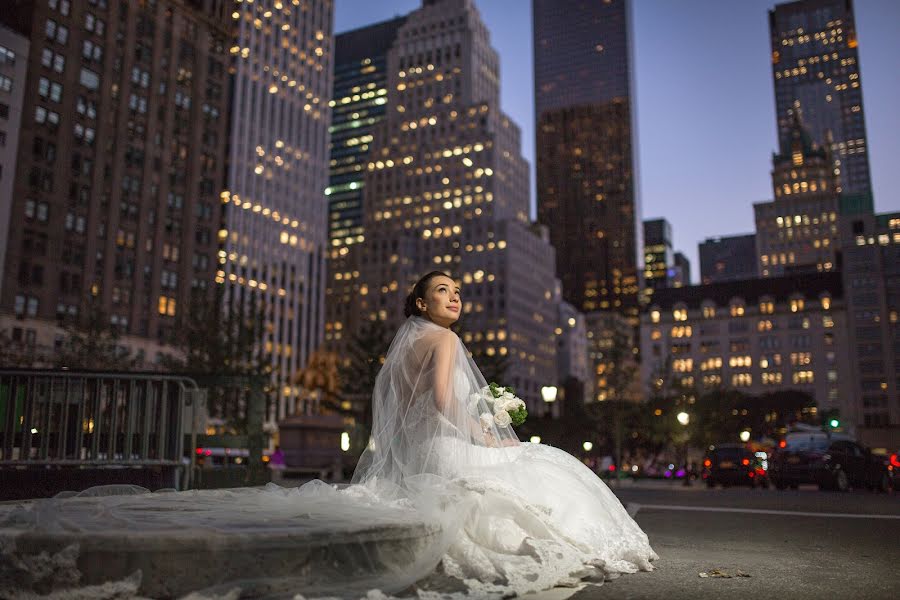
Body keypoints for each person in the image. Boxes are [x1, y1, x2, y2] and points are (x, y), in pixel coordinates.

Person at [2, 271, 656, 599]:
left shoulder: (403, 347)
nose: (454, 298)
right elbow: (440, 403)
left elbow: (406, 410)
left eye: (457, 291)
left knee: (535, 467)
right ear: (422, 305)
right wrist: (491, 439)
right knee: (550, 467)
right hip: (446, 445)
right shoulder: (446, 341)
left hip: (416, 453)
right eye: (442, 292)